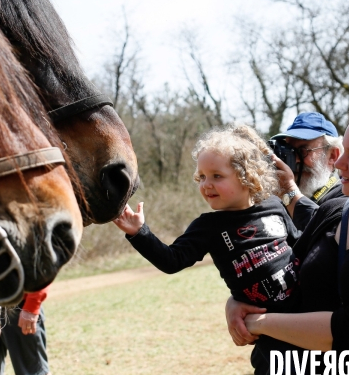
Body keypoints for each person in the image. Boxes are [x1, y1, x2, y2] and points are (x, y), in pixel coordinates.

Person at [226, 107, 349, 375]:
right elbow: (286, 278)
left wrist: (257, 322)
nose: (339, 164)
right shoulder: (334, 211)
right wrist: (237, 301)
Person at [114, 124, 301, 312]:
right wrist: (139, 233)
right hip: (268, 327)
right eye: (202, 177)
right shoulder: (209, 227)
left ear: (248, 176)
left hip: (306, 307)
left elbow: (301, 245)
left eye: (216, 176)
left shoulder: (274, 206)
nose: (206, 185)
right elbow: (172, 260)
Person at [270, 112, 344, 230]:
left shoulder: (346, 195)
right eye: (290, 151)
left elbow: (327, 233)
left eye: (303, 150)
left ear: (332, 156)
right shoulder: (280, 199)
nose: (295, 160)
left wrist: (289, 192)